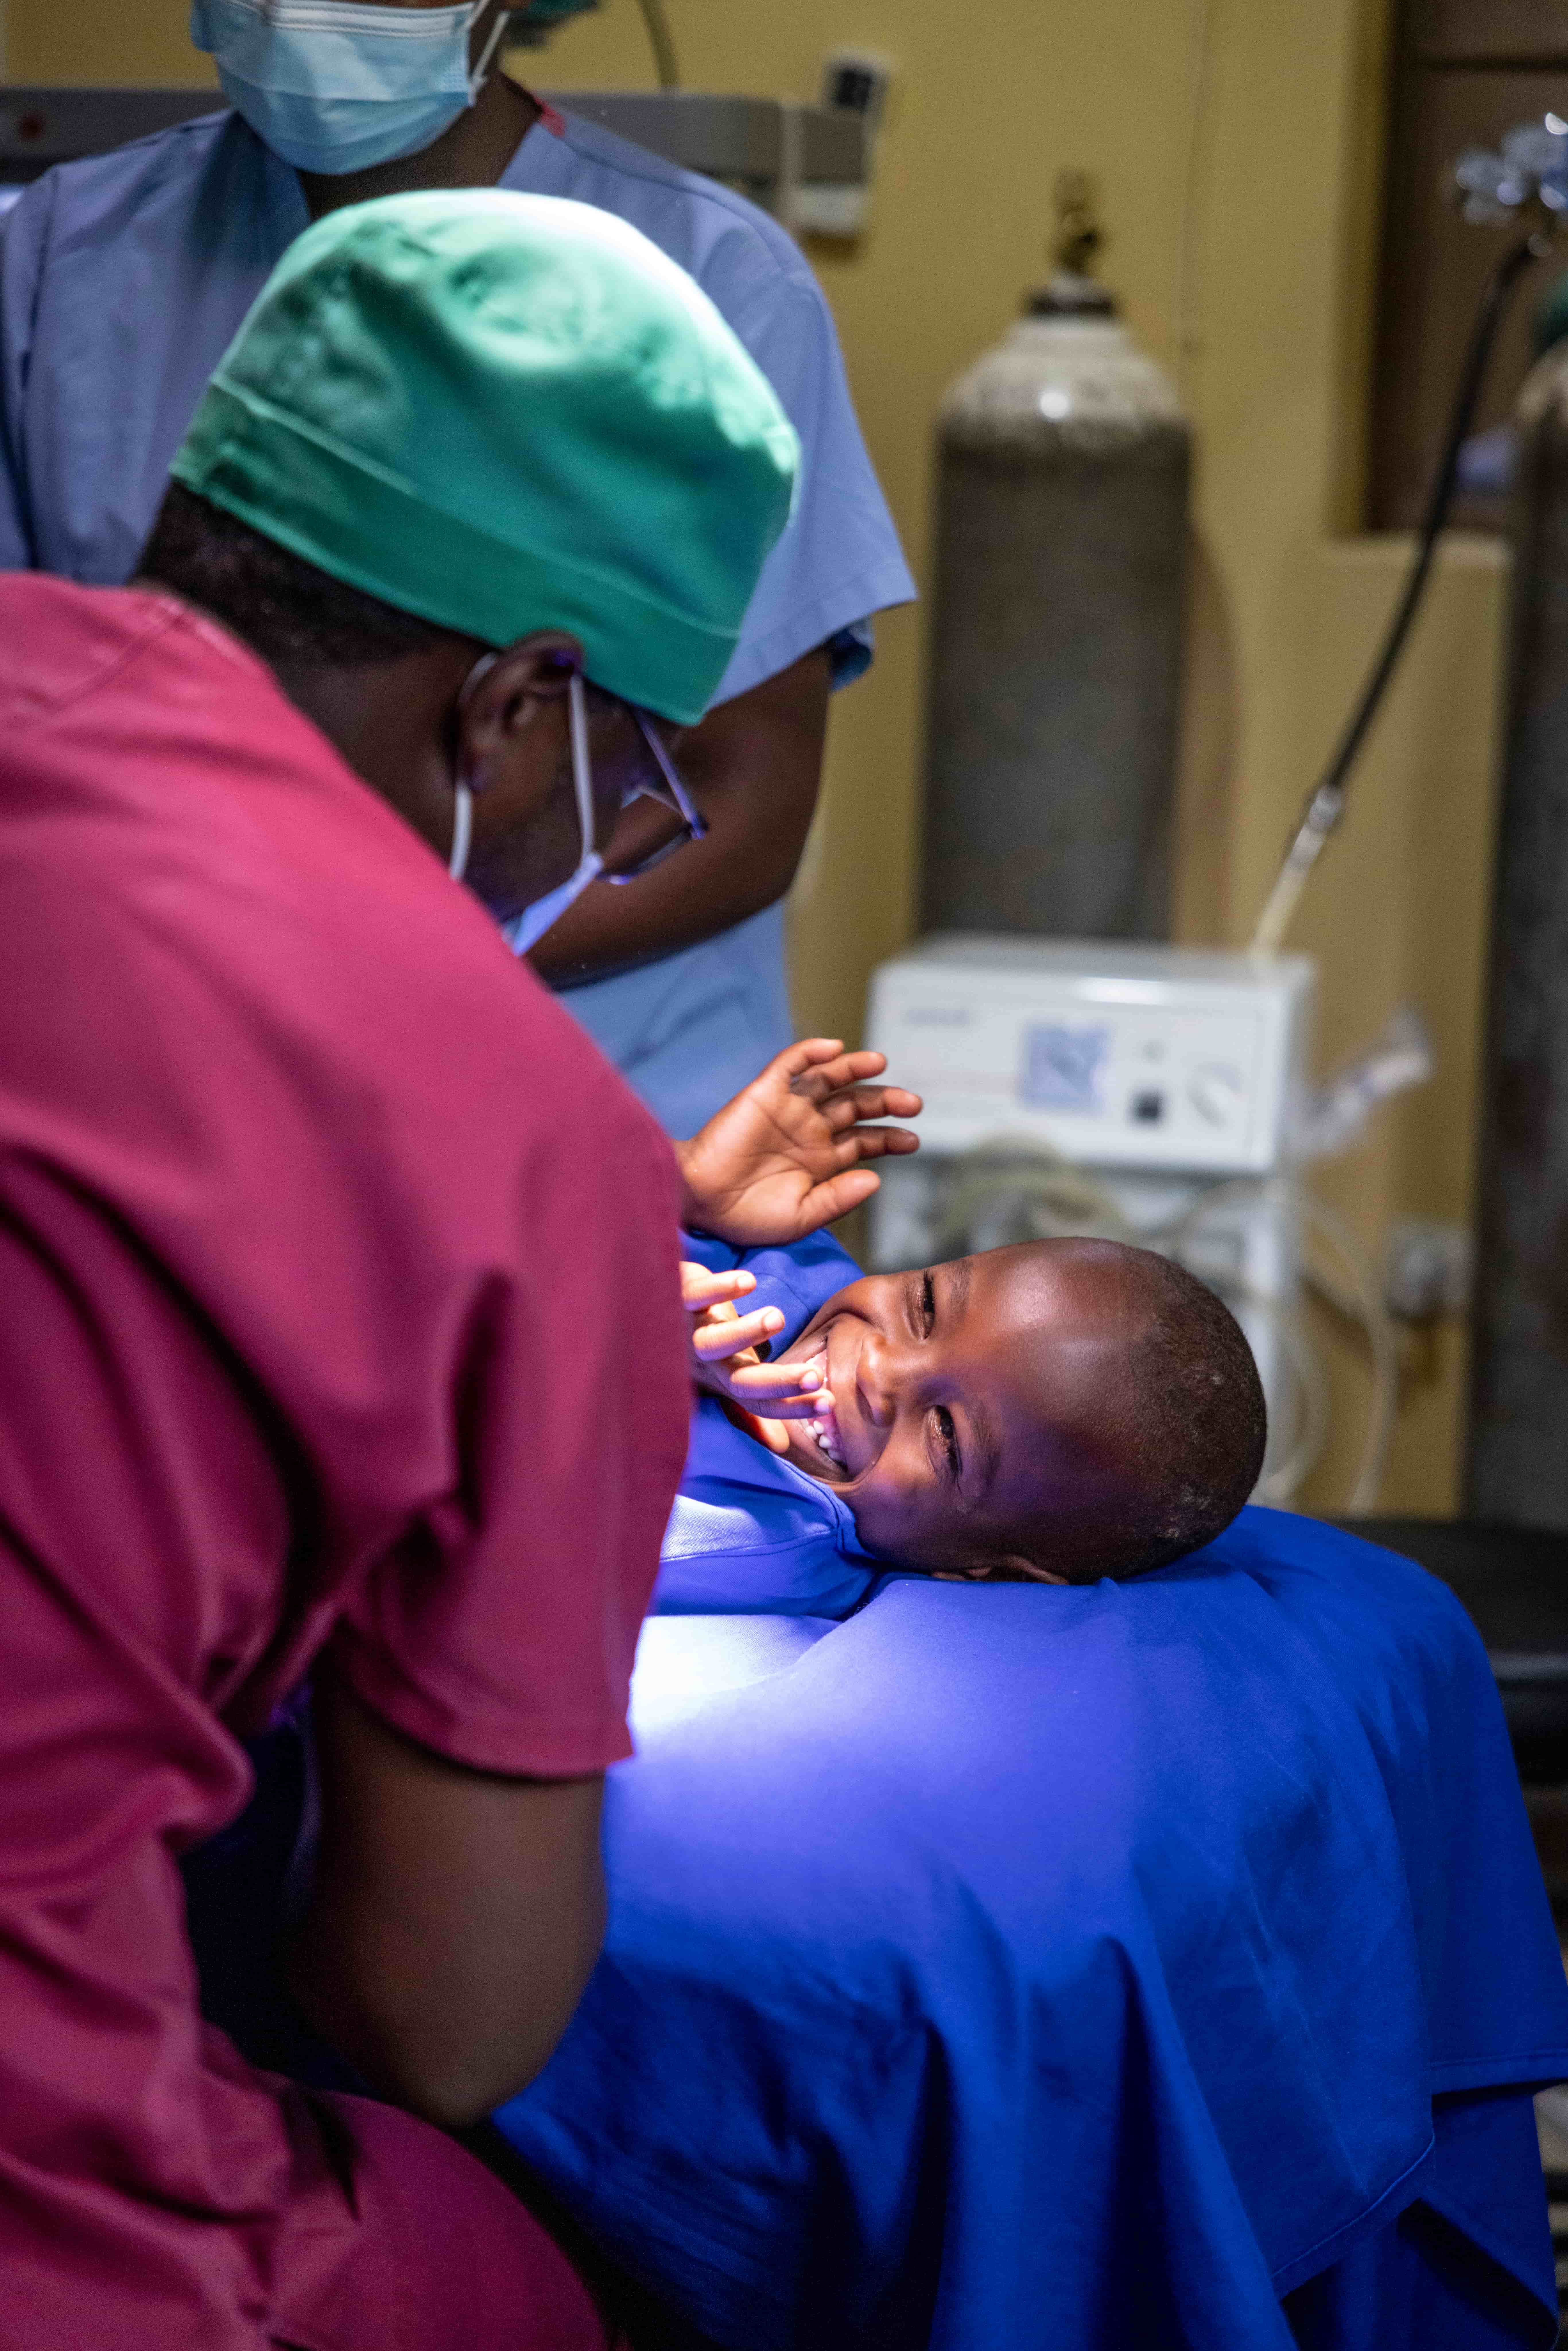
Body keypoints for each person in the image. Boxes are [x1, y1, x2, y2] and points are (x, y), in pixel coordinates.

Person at [0, 189, 912, 2351]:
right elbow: (440, 2019)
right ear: (518, 699)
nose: (607, 840)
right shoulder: (512, 1140)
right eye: (627, 790)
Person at [0, 0, 916, 1134]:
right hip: (160, 1076)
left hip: (612, 1103)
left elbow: (741, 797)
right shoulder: (62, 258)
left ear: (510, 708)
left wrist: (338, 975)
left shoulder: (718, 284)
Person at [661, 1226, 1268, 1614]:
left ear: (983, 1571)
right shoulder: (778, 1241)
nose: (878, 1369)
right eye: (923, 1305)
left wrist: (631, 1339)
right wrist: (692, 1183)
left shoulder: (749, 1552)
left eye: (945, 1434)